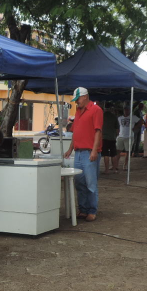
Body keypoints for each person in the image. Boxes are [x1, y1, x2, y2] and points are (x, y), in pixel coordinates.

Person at [64, 87, 103, 222]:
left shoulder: (96, 110)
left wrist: (94, 150)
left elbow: (98, 131)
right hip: (79, 152)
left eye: (78, 99)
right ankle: (83, 209)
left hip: (88, 152)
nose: (76, 102)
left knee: (90, 183)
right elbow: (76, 132)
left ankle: (92, 210)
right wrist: (70, 149)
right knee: (79, 182)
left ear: (85, 97)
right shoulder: (79, 111)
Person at [100, 102, 120, 174]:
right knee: (113, 154)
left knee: (105, 154)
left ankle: (107, 170)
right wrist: (116, 135)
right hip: (112, 137)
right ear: (111, 108)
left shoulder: (101, 116)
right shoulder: (114, 117)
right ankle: (114, 169)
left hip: (104, 137)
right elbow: (117, 129)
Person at [116, 106, 132, 171]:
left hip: (129, 136)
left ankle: (125, 165)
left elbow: (140, 121)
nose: (126, 111)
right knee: (118, 151)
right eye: (125, 110)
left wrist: (135, 128)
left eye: (127, 110)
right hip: (120, 136)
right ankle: (115, 165)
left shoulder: (132, 117)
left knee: (128, 152)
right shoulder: (119, 118)